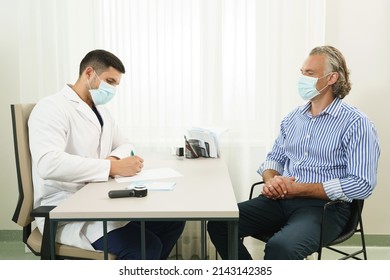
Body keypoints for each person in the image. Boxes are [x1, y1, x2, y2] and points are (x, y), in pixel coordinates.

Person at [207, 45, 380, 260]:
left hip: (325, 208)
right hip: (280, 200)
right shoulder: (293, 118)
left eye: (310, 73)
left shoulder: (356, 123)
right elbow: (273, 160)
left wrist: (299, 189)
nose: (303, 79)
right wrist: (272, 181)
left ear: (332, 78)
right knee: (220, 223)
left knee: (281, 248)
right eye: (302, 73)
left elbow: (362, 184)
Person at [28, 49, 185, 259]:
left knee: (173, 222)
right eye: (109, 81)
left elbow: (125, 143)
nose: (112, 89)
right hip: (67, 209)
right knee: (146, 247)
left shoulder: (101, 111)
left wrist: (112, 160)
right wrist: (111, 168)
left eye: (115, 84)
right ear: (89, 73)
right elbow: (48, 163)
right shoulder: (51, 108)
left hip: (98, 200)